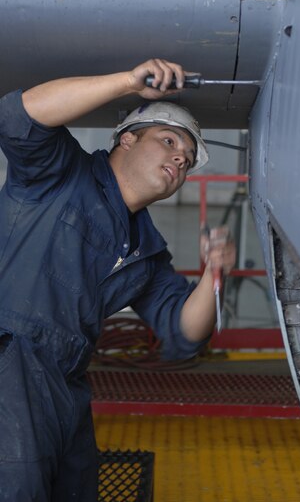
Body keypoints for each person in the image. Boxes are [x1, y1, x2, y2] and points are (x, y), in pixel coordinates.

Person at [0, 58, 236, 501]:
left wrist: (213, 276)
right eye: (168, 141)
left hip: (65, 384)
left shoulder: (146, 250)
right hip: (8, 363)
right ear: (127, 139)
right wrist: (127, 83)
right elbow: (18, 116)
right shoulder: (61, 174)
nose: (180, 160)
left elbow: (184, 331)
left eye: (186, 161)